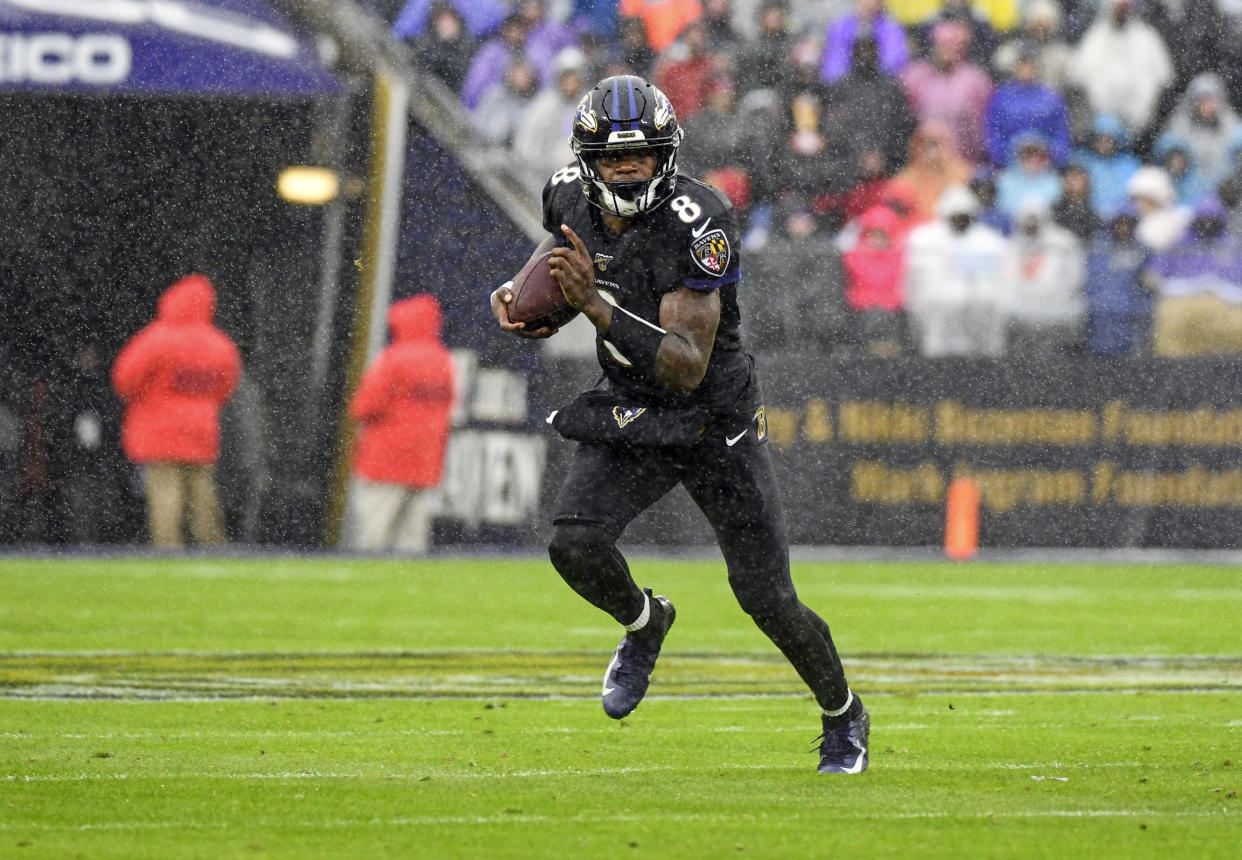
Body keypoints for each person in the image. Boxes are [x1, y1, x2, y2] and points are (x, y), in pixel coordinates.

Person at [489, 74, 869, 773]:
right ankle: (644, 622)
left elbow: (686, 363)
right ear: (586, 160)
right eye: (611, 158)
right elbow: (562, 258)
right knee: (574, 544)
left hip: (708, 420)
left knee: (767, 598)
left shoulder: (701, 220)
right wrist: (526, 301)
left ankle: (843, 713)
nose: (626, 169)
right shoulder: (567, 192)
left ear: (667, 155)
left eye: (640, 156)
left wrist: (596, 309)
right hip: (633, 407)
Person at [112, 273, 242, 547]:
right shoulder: (221, 345)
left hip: (158, 429)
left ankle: (168, 547)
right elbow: (226, 387)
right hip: (201, 429)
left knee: (164, 490)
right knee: (202, 490)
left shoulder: (157, 338)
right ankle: (212, 544)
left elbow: (124, 378)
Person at [347, 294, 455, 552]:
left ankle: (369, 584)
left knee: (373, 534)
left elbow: (363, 406)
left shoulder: (394, 358)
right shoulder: (443, 360)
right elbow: (448, 405)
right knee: (411, 539)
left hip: (385, 459)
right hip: (424, 460)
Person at [904, 185, 1016, 357]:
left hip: (979, 322)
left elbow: (1003, 282)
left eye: (963, 216)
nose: (959, 220)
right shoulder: (925, 239)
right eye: (955, 216)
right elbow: (914, 282)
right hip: (939, 320)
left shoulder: (990, 242)